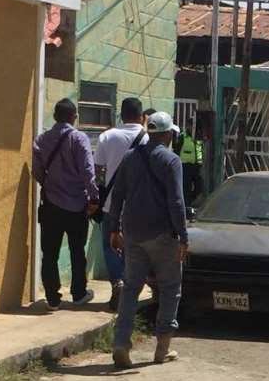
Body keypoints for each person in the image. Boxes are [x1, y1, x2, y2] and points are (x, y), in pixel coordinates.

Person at [109, 112, 188, 369]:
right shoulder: (171, 160)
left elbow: (117, 196)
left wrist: (114, 230)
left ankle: (121, 344)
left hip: (132, 233)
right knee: (169, 288)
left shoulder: (131, 157)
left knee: (131, 288)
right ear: (167, 135)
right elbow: (176, 202)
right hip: (162, 234)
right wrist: (183, 236)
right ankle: (162, 348)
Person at [32, 98, 98, 311]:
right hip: (77, 204)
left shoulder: (41, 139)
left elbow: (37, 171)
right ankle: (78, 293)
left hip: (51, 204)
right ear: (73, 116)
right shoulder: (79, 138)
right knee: (77, 250)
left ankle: (52, 297)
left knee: (49, 252)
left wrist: (49, 185)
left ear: (54, 117)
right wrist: (94, 197)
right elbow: (88, 171)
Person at [94, 98, 148, 311]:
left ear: (121, 115)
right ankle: (127, 286)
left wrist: (98, 195)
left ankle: (117, 281)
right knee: (132, 248)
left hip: (110, 205)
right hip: (138, 207)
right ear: (142, 116)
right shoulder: (147, 138)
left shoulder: (107, 136)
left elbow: (98, 171)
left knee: (109, 245)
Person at [174, 117, 204, 207]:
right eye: (191, 126)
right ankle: (187, 205)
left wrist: (200, 163)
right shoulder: (183, 136)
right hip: (184, 166)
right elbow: (177, 150)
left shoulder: (198, 137)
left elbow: (199, 151)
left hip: (195, 166)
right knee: (186, 187)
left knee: (199, 187)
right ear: (188, 126)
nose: (192, 128)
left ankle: (191, 200)